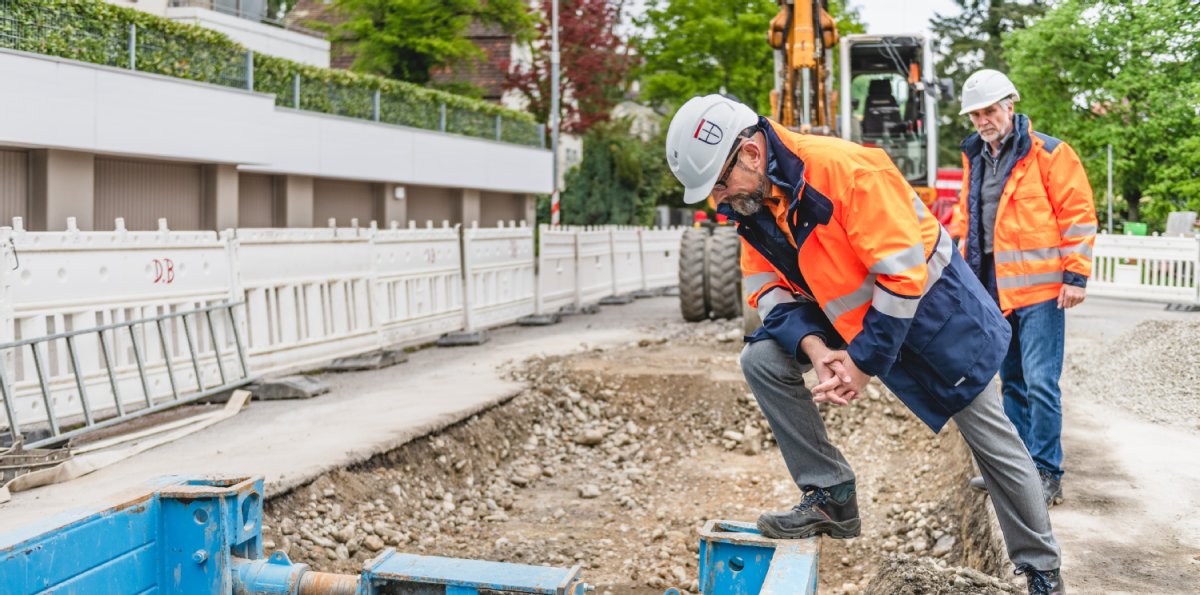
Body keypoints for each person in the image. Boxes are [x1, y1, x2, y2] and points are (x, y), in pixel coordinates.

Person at [664, 94, 1065, 595]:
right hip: (852, 317)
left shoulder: (851, 173)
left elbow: (900, 280)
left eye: (719, 184)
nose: (717, 199)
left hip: (938, 315)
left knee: (992, 440)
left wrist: (861, 365)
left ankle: (1041, 570)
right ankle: (830, 492)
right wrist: (815, 348)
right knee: (762, 359)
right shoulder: (756, 204)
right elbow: (764, 288)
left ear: (749, 153)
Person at [952, 70, 1097, 506]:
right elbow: (967, 217)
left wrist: (1075, 275)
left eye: (990, 110)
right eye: (976, 114)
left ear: (1010, 105)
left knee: (1040, 382)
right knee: (1010, 381)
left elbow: (1078, 214)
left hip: (1042, 292)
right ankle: (1015, 473)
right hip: (993, 291)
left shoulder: (1049, 153)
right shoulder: (974, 155)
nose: (983, 120)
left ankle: (1047, 472)